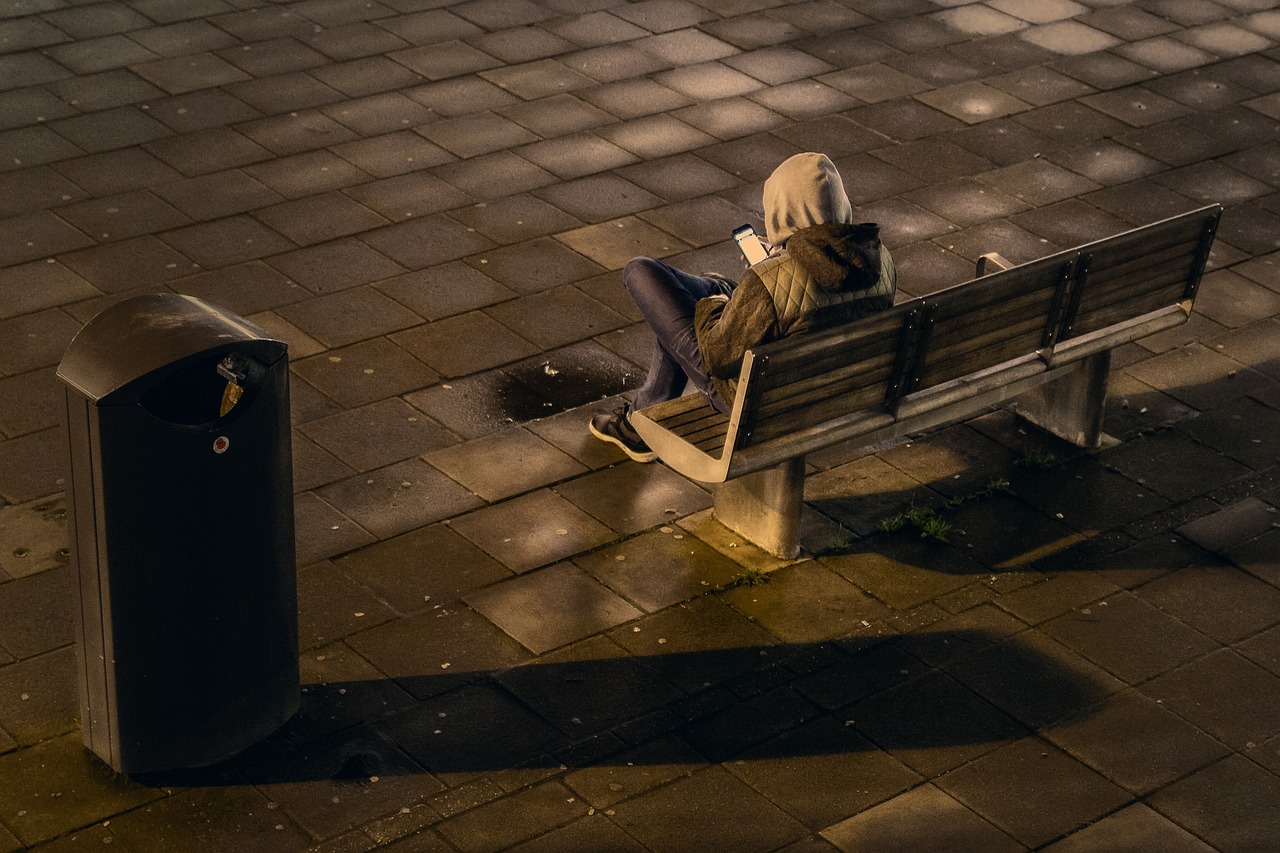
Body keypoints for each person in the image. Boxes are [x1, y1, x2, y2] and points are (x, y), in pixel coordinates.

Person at [589, 151, 897, 462]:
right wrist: (780, 259)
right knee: (708, 293)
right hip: (837, 392)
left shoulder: (767, 282)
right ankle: (639, 420)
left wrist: (716, 303)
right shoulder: (881, 262)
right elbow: (818, 299)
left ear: (782, 210)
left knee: (641, 272)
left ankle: (638, 425)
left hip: (759, 404)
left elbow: (719, 358)